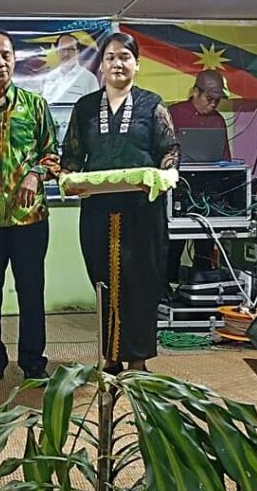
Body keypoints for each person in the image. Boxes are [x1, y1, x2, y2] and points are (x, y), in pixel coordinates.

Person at [61, 32, 178, 374]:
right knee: (103, 281)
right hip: (98, 211)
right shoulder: (85, 108)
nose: (117, 63)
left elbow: (169, 150)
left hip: (142, 211)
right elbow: (71, 156)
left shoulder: (152, 104)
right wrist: (67, 178)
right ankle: (110, 357)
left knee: (141, 281)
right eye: (110, 57)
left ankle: (138, 361)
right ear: (101, 66)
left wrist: (168, 173)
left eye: (125, 57)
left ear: (137, 65)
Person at [0, 29, 58, 388]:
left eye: (6, 55)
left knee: (31, 291)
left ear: (14, 59)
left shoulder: (35, 106)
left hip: (28, 217)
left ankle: (33, 362)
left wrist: (35, 173)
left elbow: (53, 155)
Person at [166, 69, 230, 276]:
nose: (213, 104)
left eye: (217, 101)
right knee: (172, 247)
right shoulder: (173, 114)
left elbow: (225, 160)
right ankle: (168, 285)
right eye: (209, 99)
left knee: (205, 248)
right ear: (195, 92)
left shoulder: (218, 120)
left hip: (207, 194)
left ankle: (203, 285)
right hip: (178, 190)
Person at [42, 33, 99, 105]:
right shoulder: (49, 77)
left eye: (71, 49)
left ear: (78, 52)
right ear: (57, 52)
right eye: (63, 49)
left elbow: (96, 106)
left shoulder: (89, 78)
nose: (66, 54)